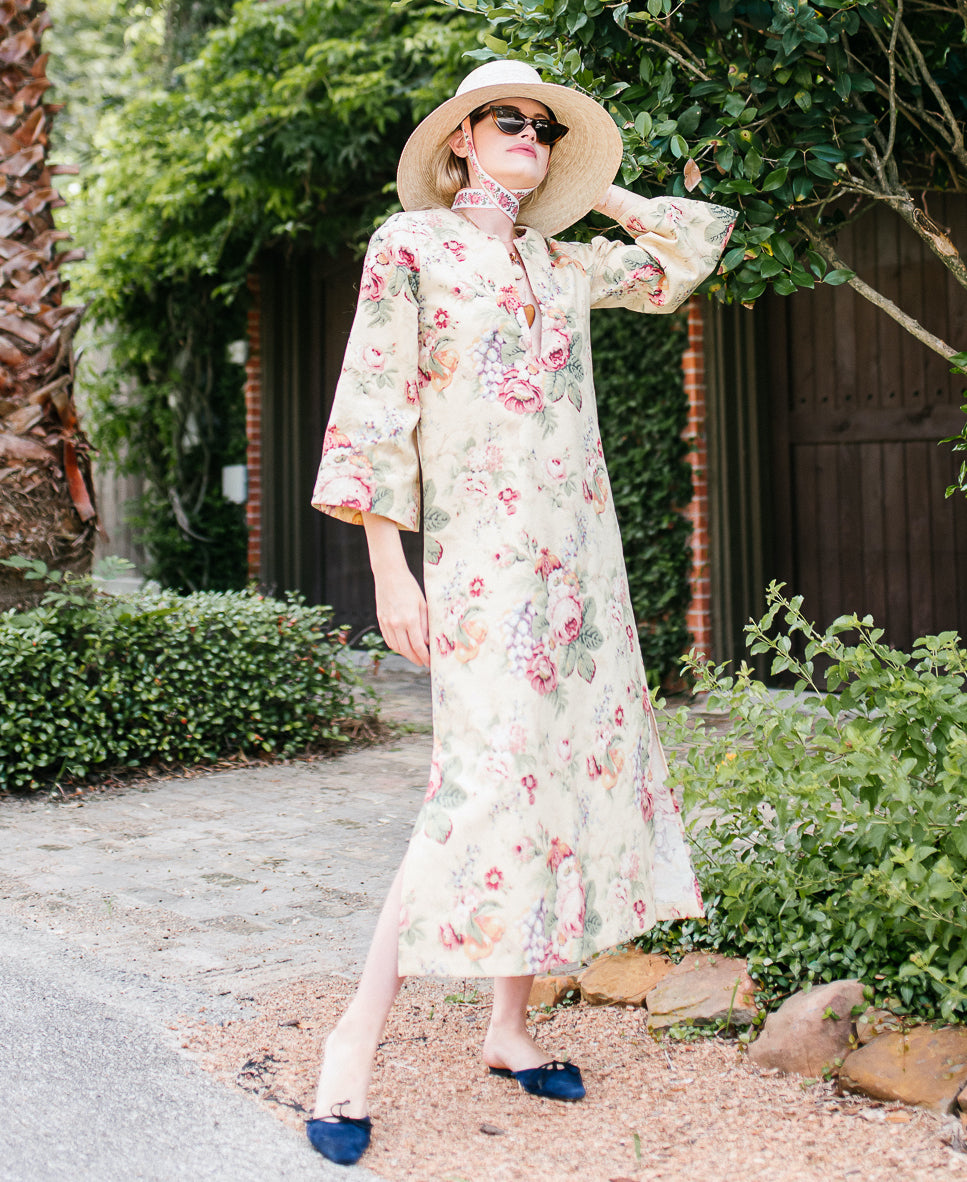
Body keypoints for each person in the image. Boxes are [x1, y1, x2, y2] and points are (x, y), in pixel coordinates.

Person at [307, 58, 736, 1166]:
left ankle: (507, 1029)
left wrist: (595, 188)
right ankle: (350, 1047)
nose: (530, 139)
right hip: (476, 569)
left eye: (545, 129)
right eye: (510, 123)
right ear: (459, 137)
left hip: (575, 572)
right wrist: (387, 570)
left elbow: (681, 254)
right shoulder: (409, 249)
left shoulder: (558, 261)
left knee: (544, 777)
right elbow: (371, 408)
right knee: (477, 786)